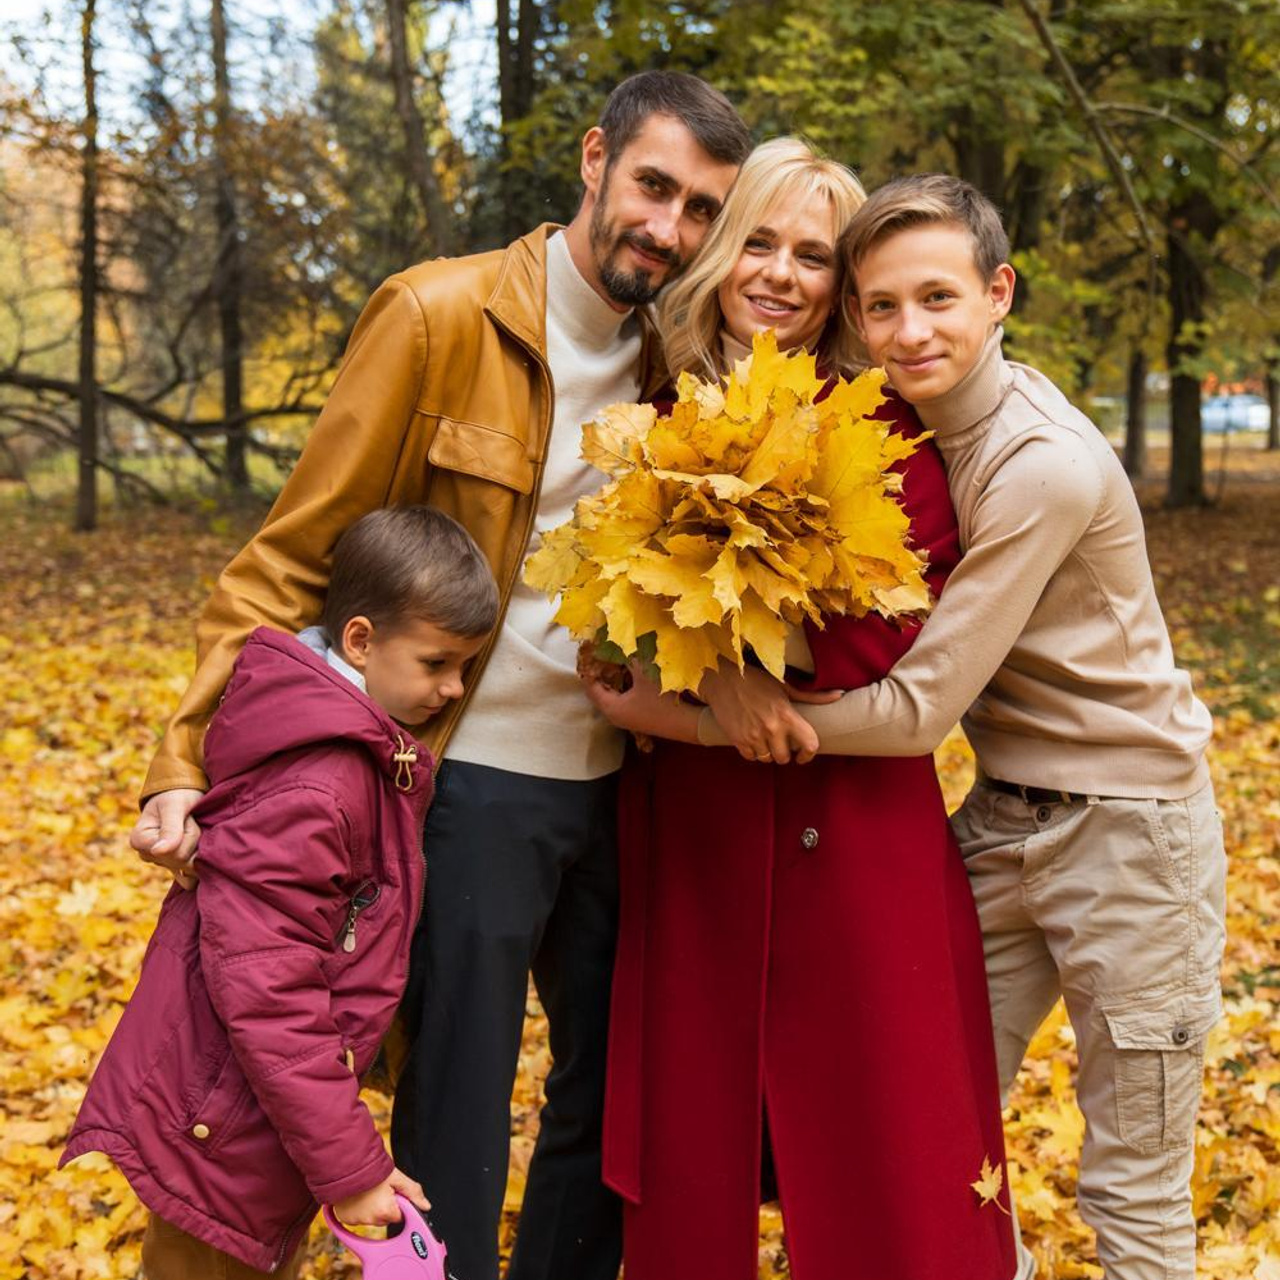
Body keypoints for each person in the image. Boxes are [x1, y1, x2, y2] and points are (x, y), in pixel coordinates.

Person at [125, 72, 751, 1280]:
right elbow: (294, 554)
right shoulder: (436, 316)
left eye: (696, 210)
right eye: (653, 187)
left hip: (621, 785)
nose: (667, 229)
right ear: (594, 160)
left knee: (606, 1100)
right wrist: (183, 758)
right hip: (464, 781)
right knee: (447, 1102)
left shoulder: (675, 371)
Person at [652, 174, 1226, 1280]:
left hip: (1129, 837)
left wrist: (700, 716)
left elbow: (918, 706)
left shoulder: (1038, 466)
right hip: (1004, 817)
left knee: (1131, 1189)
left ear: (997, 292)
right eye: (879, 306)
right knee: (929, 1149)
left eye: (936, 299)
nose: (908, 331)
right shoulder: (896, 430)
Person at [585, 141, 1017, 1280]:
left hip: (857, 836)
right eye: (757, 242)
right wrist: (715, 677)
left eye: (813, 255)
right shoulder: (650, 406)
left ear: (839, 282)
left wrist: (715, 669)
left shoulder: (881, 424)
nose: (778, 273)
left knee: (887, 1153)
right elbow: (602, 611)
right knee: (693, 1153)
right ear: (720, 253)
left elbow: (880, 625)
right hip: (697, 836)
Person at [61, 506, 498, 1279]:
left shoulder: (351, 751)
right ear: (360, 641)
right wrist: (354, 1168)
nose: (454, 688)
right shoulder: (320, 781)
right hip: (223, 1117)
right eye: (437, 663)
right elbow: (270, 990)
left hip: (256, 1113)